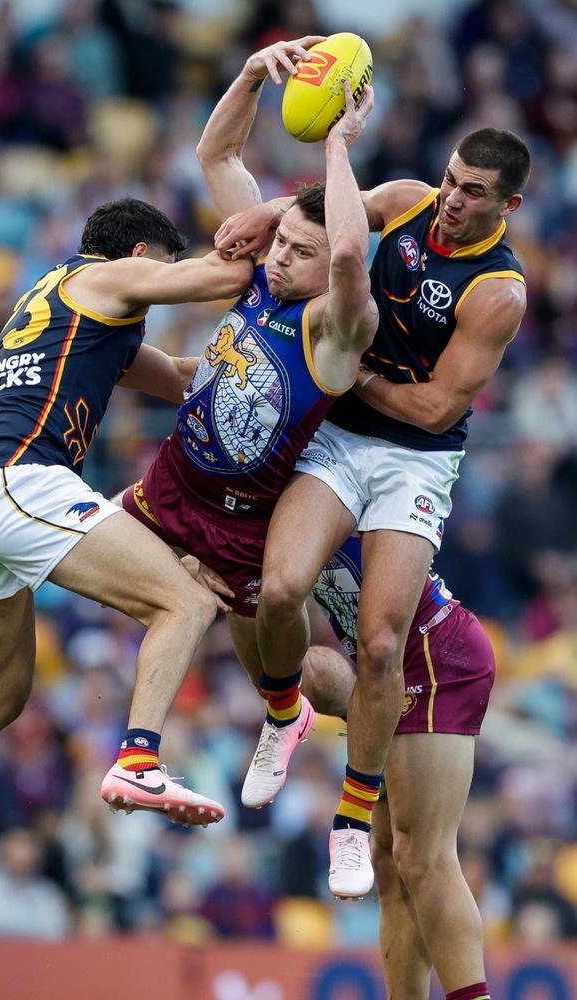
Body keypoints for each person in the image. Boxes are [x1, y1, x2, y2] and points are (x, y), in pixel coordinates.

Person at [220, 113, 530, 916]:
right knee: (279, 588)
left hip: (412, 457)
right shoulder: (406, 200)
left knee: (383, 638)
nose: (451, 201)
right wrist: (268, 213)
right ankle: (282, 712)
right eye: (452, 179)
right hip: (342, 434)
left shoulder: (497, 291)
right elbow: (325, 215)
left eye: (473, 194)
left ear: (512, 205)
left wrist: (343, 371)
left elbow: (432, 409)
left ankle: (353, 813)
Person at [0, 196, 253, 826]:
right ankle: (138, 760)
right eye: (161, 267)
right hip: (21, 484)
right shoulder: (105, 275)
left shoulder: (64, 305)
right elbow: (225, 276)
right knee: (183, 603)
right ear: (140, 256)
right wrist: (281, 223)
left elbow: (185, 378)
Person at [118, 42, 377, 708]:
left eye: (299, 251)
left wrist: (338, 147)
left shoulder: (336, 327)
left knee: (274, 680)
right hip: (174, 480)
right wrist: (251, 74)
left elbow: (350, 251)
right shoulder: (267, 274)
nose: (279, 256)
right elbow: (218, 157)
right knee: (55, 550)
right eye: (281, 240)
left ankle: (312, 717)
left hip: (244, 524)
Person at [306, 535, 494, 1000]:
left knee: (424, 856)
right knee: (389, 864)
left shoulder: (313, 482)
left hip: (430, 651)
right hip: (378, 667)